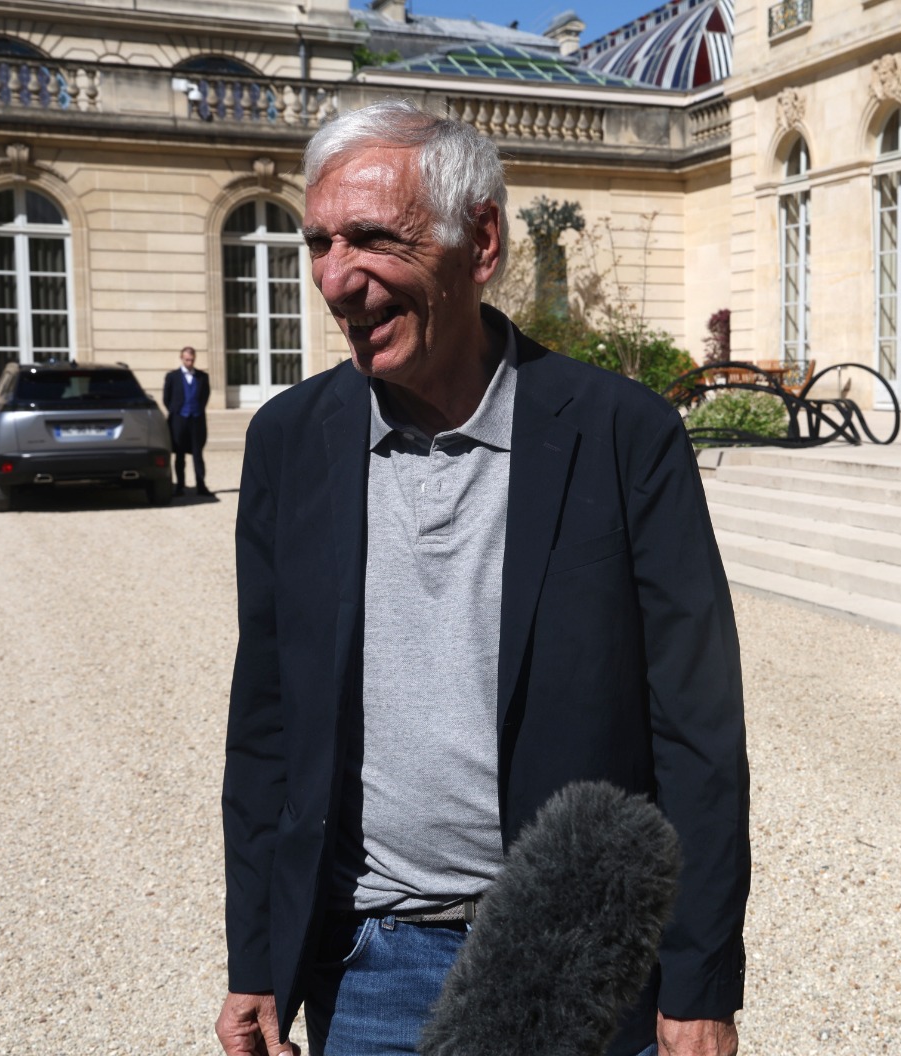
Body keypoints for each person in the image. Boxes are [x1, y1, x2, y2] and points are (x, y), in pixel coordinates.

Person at [216, 101, 750, 1056]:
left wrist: (700, 981)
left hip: (580, 961)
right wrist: (254, 957)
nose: (338, 278)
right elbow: (266, 719)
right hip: (368, 964)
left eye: (374, 238)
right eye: (320, 243)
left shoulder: (624, 435)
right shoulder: (289, 443)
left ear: (483, 241)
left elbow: (697, 732)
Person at [162, 345, 210, 495]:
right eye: (187, 359)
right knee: (180, 455)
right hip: (179, 420)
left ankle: (201, 485)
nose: (190, 362)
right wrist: (176, 411)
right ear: (182, 358)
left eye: (192, 359)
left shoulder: (202, 377)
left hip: (196, 419)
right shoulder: (172, 376)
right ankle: (180, 486)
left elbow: (205, 396)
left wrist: (198, 410)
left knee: (198, 454)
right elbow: (166, 398)